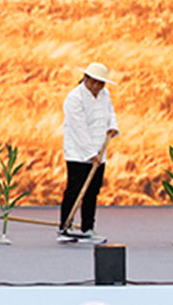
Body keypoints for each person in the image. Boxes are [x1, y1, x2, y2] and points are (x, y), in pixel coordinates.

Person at [59, 62, 119, 243]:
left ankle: (88, 228)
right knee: (75, 190)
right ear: (86, 78)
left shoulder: (104, 95)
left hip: (100, 151)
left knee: (92, 191)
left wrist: (113, 127)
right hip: (78, 153)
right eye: (94, 82)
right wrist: (90, 152)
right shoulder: (74, 98)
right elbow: (78, 128)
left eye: (101, 83)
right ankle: (65, 227)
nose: (97, 86)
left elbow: (110, 113)